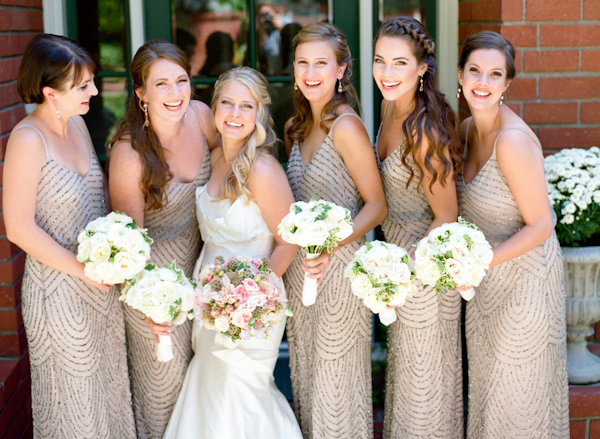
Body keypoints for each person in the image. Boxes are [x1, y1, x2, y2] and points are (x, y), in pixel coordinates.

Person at [3, 34, 135, 438]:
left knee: (108, 395)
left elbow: (96, 206)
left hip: (99, 289)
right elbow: (19, 228)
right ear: (50, 93)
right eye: (83, 86)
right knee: (76, 406)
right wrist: (84, 270)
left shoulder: (76, 124)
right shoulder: (28, 140)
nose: (95, 91)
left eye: (92, 81)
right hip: (59, 294)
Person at [162, 66, 302, 439]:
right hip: (208, 299)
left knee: (241, 394)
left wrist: (253, 297)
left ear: (259, 114)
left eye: (246, 105)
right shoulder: (214, 158)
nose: (236, 114)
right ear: (215, 107)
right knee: (211, 392)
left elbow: (288, 240)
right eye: (227, 103)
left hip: (253, 304)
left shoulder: (263, 168)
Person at [456, 31, 569, 438]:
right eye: (475, 71)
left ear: (507, 84)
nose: (482, 82)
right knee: (488, 394)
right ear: (460, 74)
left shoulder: (514, 141)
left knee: (518, 399)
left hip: (526, 285)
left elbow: (542, 225)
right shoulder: (466, 129)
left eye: (495, 74)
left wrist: (479, 262)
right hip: (486, 285)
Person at [108, 40, 218, 438]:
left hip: (205, 276)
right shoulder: (129, 154)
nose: (176, 94)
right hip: (154, 285)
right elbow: (129, 249)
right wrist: (155, 304)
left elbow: (234, 174)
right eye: (162, 85)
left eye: (182, 81)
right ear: (140, 93)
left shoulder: (203, 117)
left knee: (206, 391)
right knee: (165, 394)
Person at [284, 22, 388, 439]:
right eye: (303, 62)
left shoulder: (345, 127)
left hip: (341, 276)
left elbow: (377, 206)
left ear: (341, 70)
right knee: (309, 385)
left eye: (322, 63)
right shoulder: (296, 126)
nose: (311, 72)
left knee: (336, 391)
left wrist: (330, 243)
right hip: (301, 277)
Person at [372, 17, 464, 439]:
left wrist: (406, 271)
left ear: (421, 68)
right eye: (379, 61)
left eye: (398, 63)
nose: (387, 74)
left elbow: (446, 216)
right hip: (397, 268)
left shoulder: (424, 129)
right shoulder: (392, 106)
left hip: (423, 273)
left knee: (424, 388)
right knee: (407, 385)